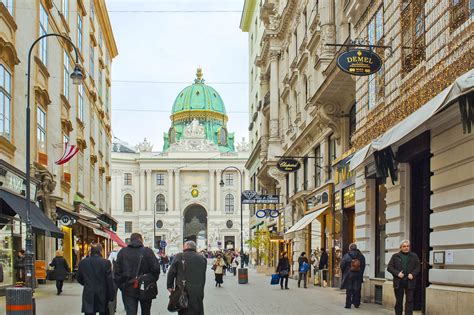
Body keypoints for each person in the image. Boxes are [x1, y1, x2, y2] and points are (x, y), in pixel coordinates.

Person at [114, 233, 160, 315]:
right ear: (140, 239)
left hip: (128, 288)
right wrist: (150, 280)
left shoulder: (122, 252)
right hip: (145, 287)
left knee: (131, 313)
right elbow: (156, 269)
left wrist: (122, 286)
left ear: (130, 240)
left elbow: (116, 272)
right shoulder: (148, 251)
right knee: (146, 312)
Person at [167, 241, 207, 315]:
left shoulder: (179, 256)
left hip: (183, 289)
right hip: (198, 289)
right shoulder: (202, 258)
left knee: (184, 308)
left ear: (186, 247)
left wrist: (169, 286)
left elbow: (171, 272)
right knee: (197, 309)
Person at [77, 244, 114, 315]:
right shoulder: (106, 262)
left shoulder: (83, 262)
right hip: (103, 292)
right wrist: (111, 295)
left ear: (91, 251)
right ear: (100, 251)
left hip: (89, 291)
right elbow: (109, 280)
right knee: (103, 311)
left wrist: (86, 283)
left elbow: (79, 278)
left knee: (89, 311)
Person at [387, 240, 421, 315]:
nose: (406, 248)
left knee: (409, 300)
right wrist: (397, 273)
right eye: (404, 246)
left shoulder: (414, 256)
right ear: (400, 247)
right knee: (399, 301)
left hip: (410, 281)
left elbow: (418, 267)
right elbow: (389, 267)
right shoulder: (395, 256)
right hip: (399, 282)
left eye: (407, 246)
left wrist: (413, 274)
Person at [340, 243, 366, 309]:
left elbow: (342, 265)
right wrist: (360, 273)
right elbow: (363, 265)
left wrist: (345, 272)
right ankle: (356, 303)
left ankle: (348, 304)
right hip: (358, 275)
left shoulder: (346, 255)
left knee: (349, 289)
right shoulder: (361, 256)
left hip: (349, 274)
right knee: (357, 289)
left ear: (350, 248)